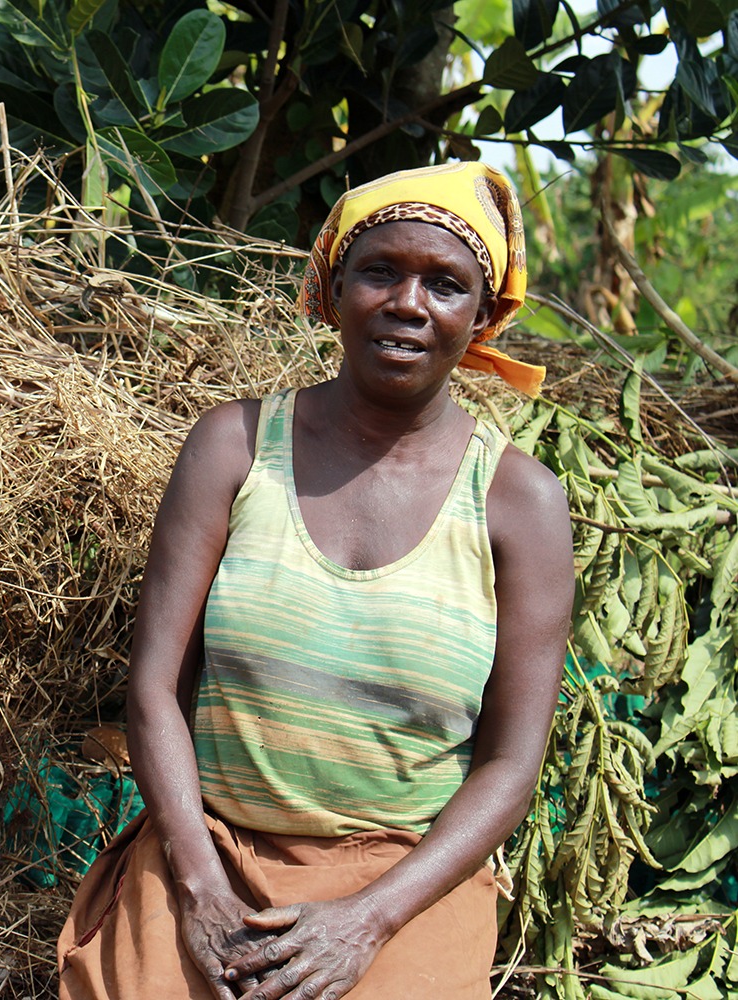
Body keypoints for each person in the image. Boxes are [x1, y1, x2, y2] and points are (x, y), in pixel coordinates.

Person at [58, 162, 574, 999]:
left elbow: (510, 764)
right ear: (332, 289)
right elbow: (154, 688)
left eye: (445, 284)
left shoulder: (520, 503)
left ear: (484, 316)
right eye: (380, 271)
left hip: (406, 878)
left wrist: (370, 919)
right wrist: (197, 886)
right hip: (215, 844)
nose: (408, 303)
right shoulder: (233, 447)